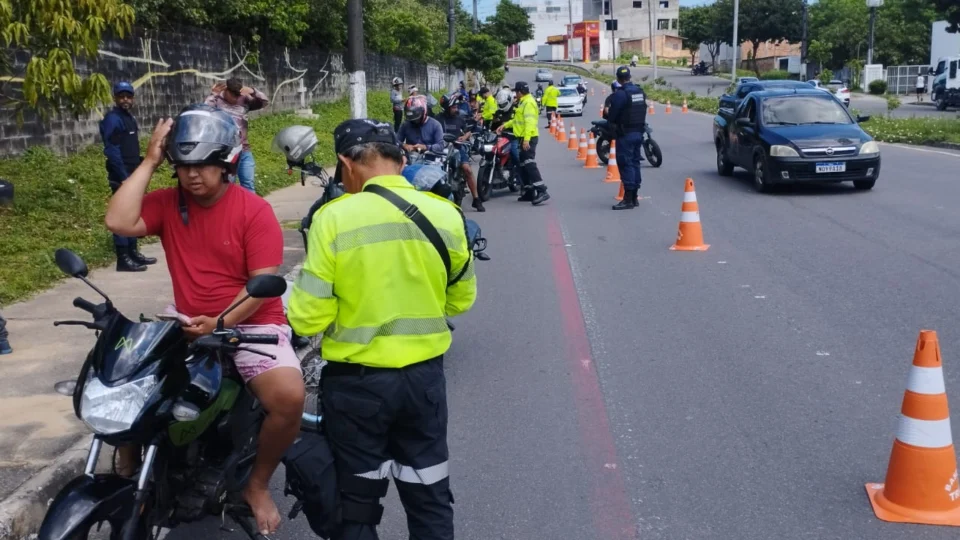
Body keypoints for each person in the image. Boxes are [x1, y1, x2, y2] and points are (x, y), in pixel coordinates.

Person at [104, 105, 305, 536]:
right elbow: (118, 220)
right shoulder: (166, 203)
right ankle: (132, 464)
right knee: (130, 383)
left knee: (289, 398)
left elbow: (263, 282)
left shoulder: (254, 211)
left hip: (251, 323)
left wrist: (220, 321)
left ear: (226, 162)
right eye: (183, 166)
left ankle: (256, 485)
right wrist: (150, 160)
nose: (193, 175)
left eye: (204, 165)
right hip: (186, 322)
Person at [287, 118, 477, 540]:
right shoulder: (445, 213)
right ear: (400, 158)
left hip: (356, 389)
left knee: (356, 510)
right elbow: (460, 301)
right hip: (424, 384)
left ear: (345, 163)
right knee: (429, 500)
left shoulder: (333, 218)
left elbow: (306, 318)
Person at [99, 81, 157, 273]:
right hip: (122, 175)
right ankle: (123, 257)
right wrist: (124, 177)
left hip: (133, 173)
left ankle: (133, 252)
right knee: (123, 213)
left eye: (128, 96)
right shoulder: (113, 119)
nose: (125, 99)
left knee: (134, 212)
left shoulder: (128, 117)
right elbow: (112, 150)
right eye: (121, 96)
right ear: (115, 98)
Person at [204, 77, 269, 193]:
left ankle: (251, 210)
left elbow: (264, 102)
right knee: (228, 186)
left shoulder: (244, 99)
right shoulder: (217, 99)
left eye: (237, 95)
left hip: (244, 149)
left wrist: (253, 91)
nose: (236, 98)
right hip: (226, 151)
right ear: (226, 90)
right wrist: (213, 94)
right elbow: (204, 111)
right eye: (233, 95)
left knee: (248, 184)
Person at [498, 81, 549, 205]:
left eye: (516, 92)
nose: (515, 94)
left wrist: (526, 140)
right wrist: (505, 125)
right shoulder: (523, 102)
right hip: (521, 137)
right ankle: (529, 192)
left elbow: (530, 123)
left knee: (529, 163)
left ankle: (542, 191)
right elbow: (517, 120)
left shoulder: (529, 103)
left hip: (529, 137)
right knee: (522, 166)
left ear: (520, 92)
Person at [606, 66, 647, 210]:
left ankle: (628, 199)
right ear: (629, 77)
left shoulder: (620, 94)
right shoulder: (640, 92)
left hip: (626, 134)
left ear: (618, 79)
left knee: (626, 163)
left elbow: (612, 115)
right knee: (635, 163)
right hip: (639, 132)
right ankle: (634, 196)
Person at [438, 94, 484, 212]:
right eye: (453, 107)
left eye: (456, 107)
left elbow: (468, 131)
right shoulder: (438, 119)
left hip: (458, 147)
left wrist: (464, 137)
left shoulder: (460, 118)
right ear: (447, 108)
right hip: (441, 149)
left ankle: (476, 199)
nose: (456, 109)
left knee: (467, 169)